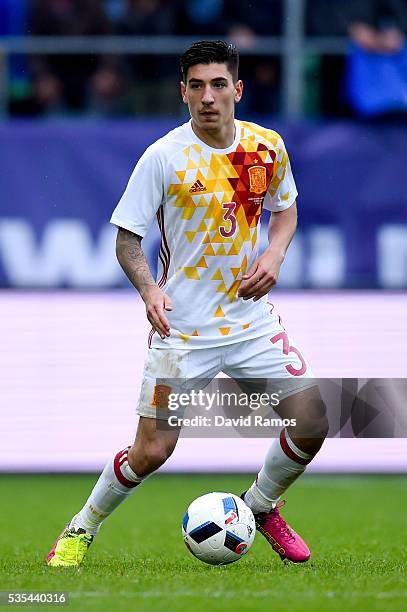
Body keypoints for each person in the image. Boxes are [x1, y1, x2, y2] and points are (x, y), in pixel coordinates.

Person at [47, 40, 328, 567]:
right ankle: (81, 528)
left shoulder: (267, 148)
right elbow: (126, 240)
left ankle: (261, 507)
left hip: (249, 321)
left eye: (219, 84)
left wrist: (274, 251)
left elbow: (286, 210)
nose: (208, 97)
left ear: (238, 90)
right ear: (183, 92)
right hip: (183, 332)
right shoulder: (164, 156)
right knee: (152, 451)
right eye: (196, 86)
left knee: (311, 421)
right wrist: (151, 290)